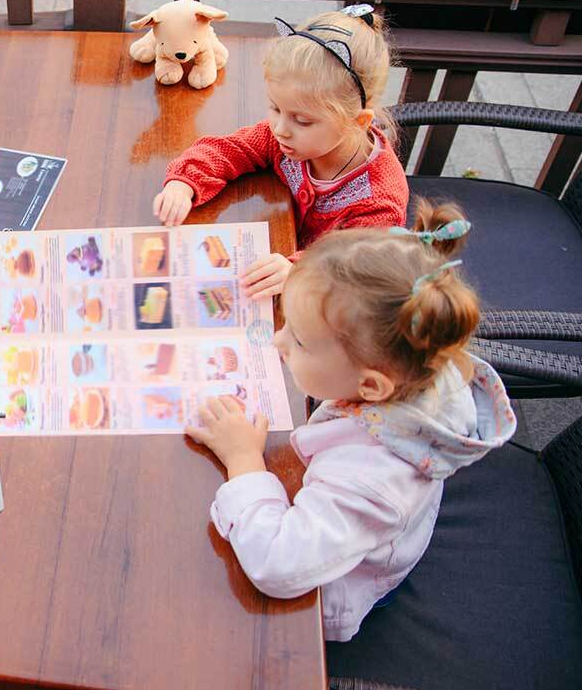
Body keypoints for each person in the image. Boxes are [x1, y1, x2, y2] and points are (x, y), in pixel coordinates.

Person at [185, 201, 515, 642]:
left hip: (337, 592)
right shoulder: (414, 367)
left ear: (372, 386)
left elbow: (280, 566)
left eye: (299, 339)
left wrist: (244, 459)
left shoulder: (370, 480)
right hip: (358, 531)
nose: (279, 342)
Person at [154, 4, 408, 299]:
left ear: (358, 121)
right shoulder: (289, 139)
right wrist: (185, 182)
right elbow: (234, 148)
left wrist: (298, 271)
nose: (280, 128)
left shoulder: (379, 203)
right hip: (277, 244)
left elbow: (350, 266)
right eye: (275, 108)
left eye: (302, 120)